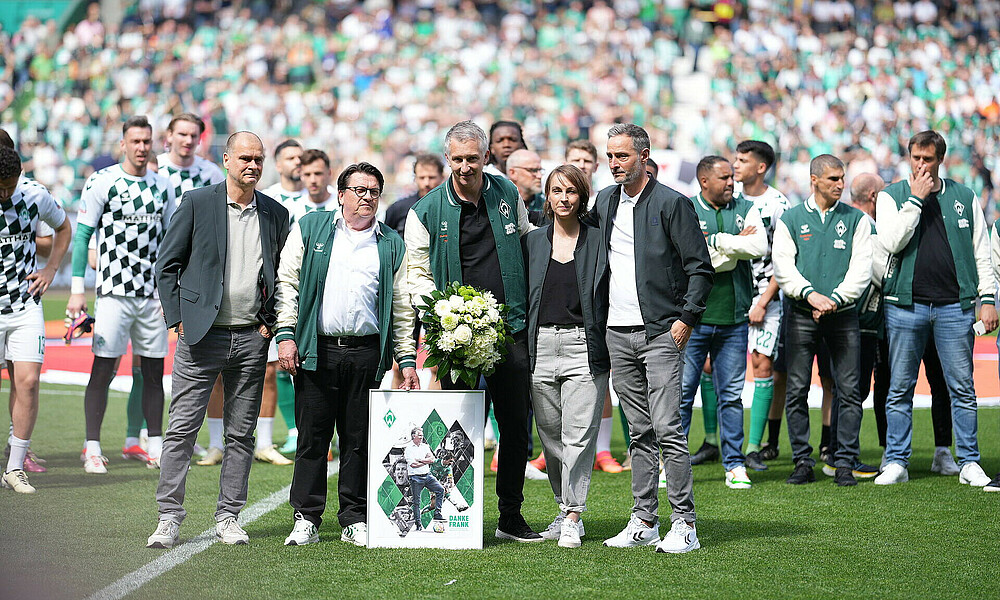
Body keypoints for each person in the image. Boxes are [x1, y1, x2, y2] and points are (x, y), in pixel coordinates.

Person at [148, 131, 290, 548]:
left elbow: (281, 276)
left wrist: (269, 322)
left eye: (258, 159)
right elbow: (167, 265)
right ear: (226, 160)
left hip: (250, 338)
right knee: (181, 430)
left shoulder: (276, 213)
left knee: (241, 434)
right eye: (244, 157)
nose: (252, 165)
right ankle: (169, 518)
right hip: (200, 337)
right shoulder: (197, 202)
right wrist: (177, 319)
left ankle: (229, 516)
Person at [405, 120, 542, 543]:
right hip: (456, 341)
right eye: (457, 159)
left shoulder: (507, 195)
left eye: (472, 158)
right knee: (458, 433)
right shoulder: (424, 210)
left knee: (516, 426)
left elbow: (528, 241)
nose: (465, 166)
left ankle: (510, 516)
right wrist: (444, 314)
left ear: (486, 157)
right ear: (448, 159)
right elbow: (416, 275)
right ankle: (458, 522)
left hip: (510, 330)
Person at [276, 162, 418, 548]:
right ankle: (306, 517)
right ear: (341, 195)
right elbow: (287, 283)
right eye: (359, 190)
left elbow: (403, 306)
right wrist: (286, 335)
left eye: (374, 191)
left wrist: (406, 359)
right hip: (318, 349)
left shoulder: (391, 242)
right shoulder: (310, 228)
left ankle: (354, 517)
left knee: (358, 440)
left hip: (367, 352)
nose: (367, 197)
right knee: (312, 438)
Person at [590, 124, 711, 554]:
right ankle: (644, 520)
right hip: (616, 333)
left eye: (622, 156)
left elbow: (701, 268)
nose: (614, 164)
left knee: (668, 429)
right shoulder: (603, 201)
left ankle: (685, 524)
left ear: (644, 156)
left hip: (662, 332)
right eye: (610, 157)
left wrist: (686, 320)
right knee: (639, 431)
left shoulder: (672, 203)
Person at [874, 130, 997, 487]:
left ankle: (969, 461)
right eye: (916, 158)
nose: (921, 165)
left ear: (940, 159)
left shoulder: (964, 196)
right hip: (904, 304)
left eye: (928, 159)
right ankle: (896, 460)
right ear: (908, 157)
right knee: (899, 387)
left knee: (962, 387)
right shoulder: (891, 195)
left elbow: (981, 252)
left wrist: (986, 299)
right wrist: (915, 199)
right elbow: (892, 240)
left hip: (954, 307)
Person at [67, 116, 176, 474]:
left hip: (151, 296)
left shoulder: (164, 185)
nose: (142, 147)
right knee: (103, 370)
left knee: (154, 372)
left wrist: (171, 291)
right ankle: (93, 447)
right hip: (113, 292)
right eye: (136, 141)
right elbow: (83, 237)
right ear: (123, 144)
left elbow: (172, 240)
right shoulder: (103, 181)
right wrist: (77, 291)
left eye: (147, 141)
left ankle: (157, 446)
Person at [120, 113, 224, 463]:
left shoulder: (210, 173)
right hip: (154, 273)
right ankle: (136, 435)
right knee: (144, 360)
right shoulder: (156, 170)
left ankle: (181, 436)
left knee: (192, 360)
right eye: (181, 133)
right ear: (169, 137)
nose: (187, 140)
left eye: (193, 135)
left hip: (196, 277)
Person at [772, 154, 872, 487]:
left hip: (843, 317)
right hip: (801, 314)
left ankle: (843, 461)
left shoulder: (858, 220)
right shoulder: (790, 219)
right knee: (797, 389)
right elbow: (783, 268)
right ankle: (803, 460)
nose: (840, 185)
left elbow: (862, 270)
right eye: (833, 179)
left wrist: (836, 300)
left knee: (849, 390)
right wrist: (810, 295)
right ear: (814, 180)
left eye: (842, 178)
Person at [524, 165, 610, 548]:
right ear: (547, 196)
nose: (563, 197)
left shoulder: (597, 240)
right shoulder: (533, 242)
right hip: (540, 346)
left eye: (571, 191)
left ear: (582, 197)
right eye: (556, 190)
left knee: (579, 434)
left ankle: (574, 513)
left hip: (583, 346)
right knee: (551, 437)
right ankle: (563, 508)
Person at [680, 156, 766, 489]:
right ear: (704, 181)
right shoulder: (686, 208)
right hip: (692, 319)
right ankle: (672, 463)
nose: (732, 183)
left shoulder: (747, 206)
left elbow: (758, 246)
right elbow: (688, 259)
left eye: (732, 177)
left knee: (730, 396)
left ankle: (734, 464)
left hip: (733, 319)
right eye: (724, 178)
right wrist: (734, 245)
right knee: (682, 396)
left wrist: (715, 242)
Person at [0, 145, 71, 493]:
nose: (4, 193)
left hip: (25, 303)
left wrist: (51, 269)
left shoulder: (34, 194)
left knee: (27, 382)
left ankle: (14, 467)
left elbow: (63, 229)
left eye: (9, 186)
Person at [564, 138, 625, 472]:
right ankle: (556, 451)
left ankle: (603, 451)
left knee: (600, 376)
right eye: (575, 160)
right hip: (565, 305)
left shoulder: (606, 202)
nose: (582, 165)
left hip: (600, 303)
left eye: (587, 161)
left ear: (595, 166)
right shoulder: (557, 205)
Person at [733, 140, 790, 471]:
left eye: (743, 160)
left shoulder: (778, 204)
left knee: (762, 365)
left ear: (761, 167)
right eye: (735, 159)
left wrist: (765, 300)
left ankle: (753, 447)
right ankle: (713, 441)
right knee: (712, 366)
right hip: (732, 294)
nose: (736, 165)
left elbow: (784, 259)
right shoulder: (730, 198)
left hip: (766, 298)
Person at [384, 153, 446, 237]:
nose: (426, 183)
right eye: (422, 177)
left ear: (442, 177)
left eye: (431, 177)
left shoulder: (450, 207)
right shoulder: (398, 208)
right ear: (415, 178)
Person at [404, 427, 446, 532]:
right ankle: (418, 525)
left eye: (422, 435)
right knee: (417, 502)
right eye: (419, 435)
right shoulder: (408, 449)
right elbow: (413, 464)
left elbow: (432, 459)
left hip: (427, 476)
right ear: (413, 436)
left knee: (441, 490)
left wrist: (421, 460)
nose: (422, 437)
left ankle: (437, 513)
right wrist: (426, 461)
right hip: (415, 478)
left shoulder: (425, 446)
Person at [506, 149, 546, 215]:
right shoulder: (499, 202)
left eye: (540, 170)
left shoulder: (545, 204)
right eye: (533, 170)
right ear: (513, 173)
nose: (539, 176)